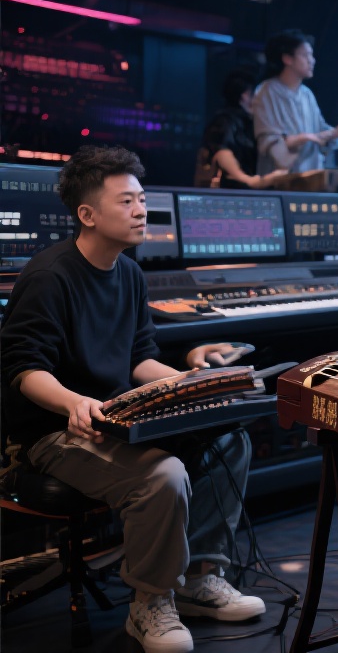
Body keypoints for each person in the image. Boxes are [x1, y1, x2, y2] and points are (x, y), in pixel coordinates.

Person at [0, 146, 265, 653]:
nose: (141, 210)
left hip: (117, 419)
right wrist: (73, 402)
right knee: (162, 475)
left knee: (229, 440)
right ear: (88, 214)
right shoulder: (49, 277)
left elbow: (140, 359)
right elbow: (24, 369)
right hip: (53, 433)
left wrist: (195, 385)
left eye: (142, 199)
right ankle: (149, 602)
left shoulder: (128, 273)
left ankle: (198, 580)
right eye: (127, 201)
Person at [252, 29, 338, 175]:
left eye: (311, 55)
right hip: (279, 180)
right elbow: (270, 142)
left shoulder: (306, 94)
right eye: (305, 55)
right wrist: (303, 138)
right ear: (287, 58)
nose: (311, 60)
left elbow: (325, 134)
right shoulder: (266, 92)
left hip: (308, 179)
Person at [196, 67, 287, 189]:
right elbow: (222, 151)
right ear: (245, 96)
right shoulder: (225, 121)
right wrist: (248, 180)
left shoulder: (254, 122)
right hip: (232, 191)